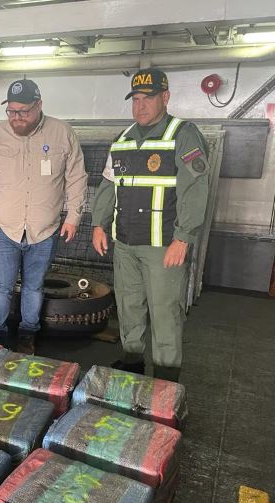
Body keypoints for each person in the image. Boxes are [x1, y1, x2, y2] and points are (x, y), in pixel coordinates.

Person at [91, 68, 210, 382]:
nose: (140, 106)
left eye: (149, 98)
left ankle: (166, 377)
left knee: (164, 312)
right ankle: (131, 362)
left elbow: (194, 189)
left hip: (163, 246)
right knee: (129, 306)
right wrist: (99, 225)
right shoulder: (124, 139)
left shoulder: (182, 135)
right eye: (136, 99)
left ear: (166, 97)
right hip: (126, 243)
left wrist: (183, 238)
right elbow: (107, 184)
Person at [0, 79, 88, 354]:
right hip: (3, 227)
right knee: (0, 288)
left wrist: (73, 217)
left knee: (34, 287)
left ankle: (27, 335)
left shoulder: (62, 134)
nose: (17, 118)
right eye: (11, 111)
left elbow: (77, 179)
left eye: (24, 111)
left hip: (44, 229)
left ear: (39, 105)